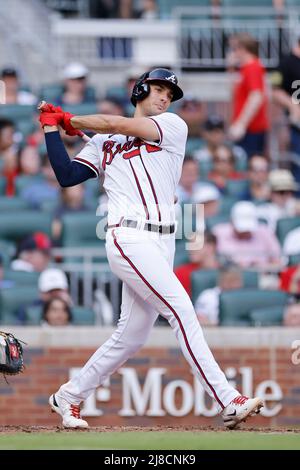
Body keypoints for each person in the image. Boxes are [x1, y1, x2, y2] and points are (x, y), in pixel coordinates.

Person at [39, 67, 263, 429]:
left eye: (169, 94)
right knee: (181, 310)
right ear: (141, 89)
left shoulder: (174, 126)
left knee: (131, 336)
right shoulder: (102, 142)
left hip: (163, 241)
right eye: (159, 89)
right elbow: (67, 175)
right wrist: (52, 127)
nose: (164, 97)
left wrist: (72, 119)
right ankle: (228, 399)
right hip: (129, 235)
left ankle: (68, 396)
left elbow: (121, 126)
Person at [227, 33, 269, 157]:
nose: (232, 53)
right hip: (248, 128)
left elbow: (256, 96)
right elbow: (233, 92)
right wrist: (230, 68)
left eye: (234, 49)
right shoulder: (245, 68)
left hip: (252, 129)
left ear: (242, 49)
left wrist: (241, 124)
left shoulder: (253, 67)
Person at [213, 201, 282, 269]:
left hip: (263, 275)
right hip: (230, 275)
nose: (245, 232)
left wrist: (260, 267)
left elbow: (278, 261)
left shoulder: (265, 232)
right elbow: (211, 261)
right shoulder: (218, 233)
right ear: (232, 221)